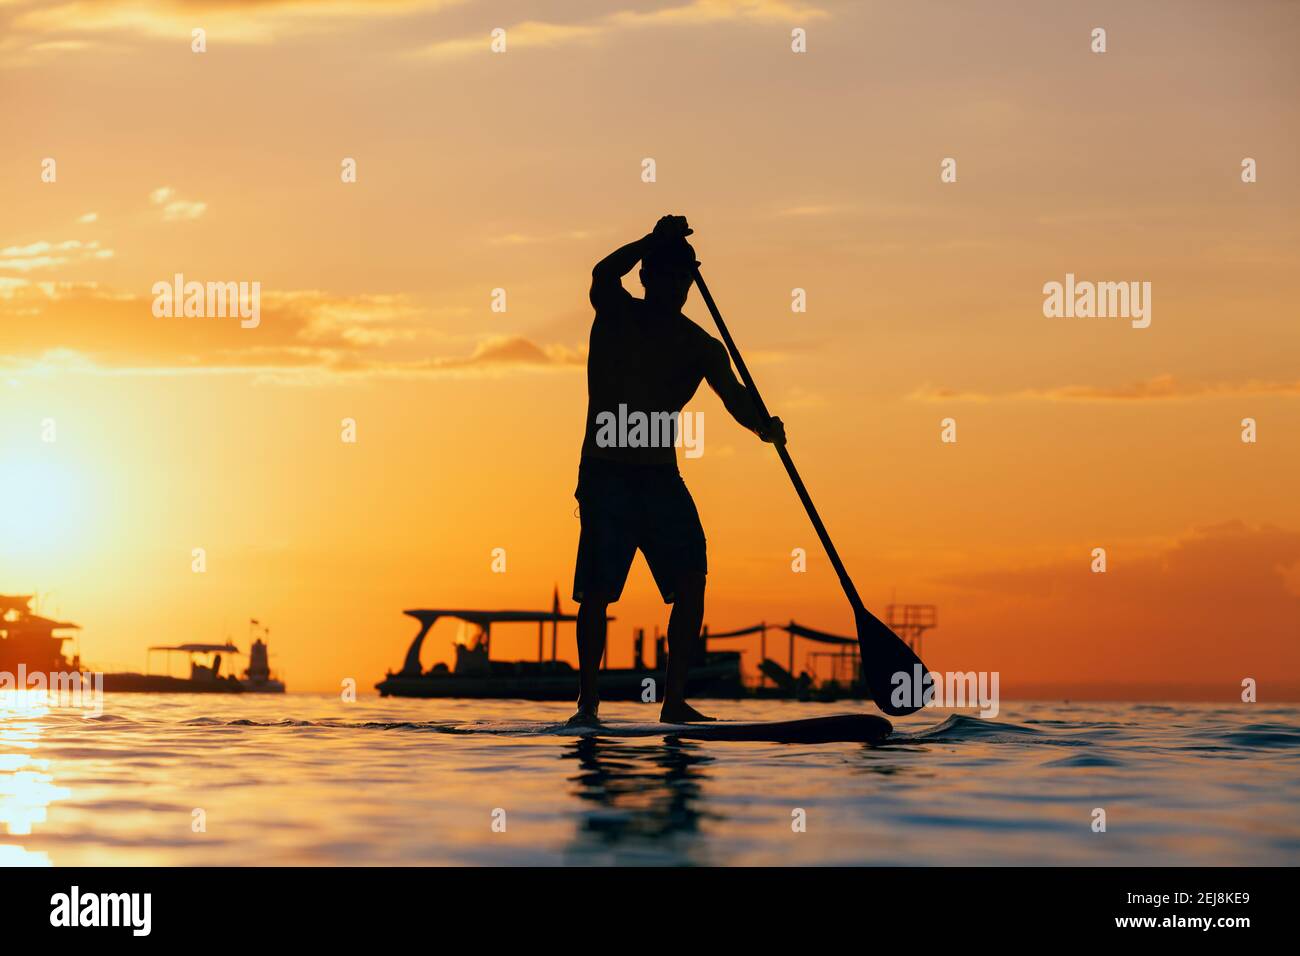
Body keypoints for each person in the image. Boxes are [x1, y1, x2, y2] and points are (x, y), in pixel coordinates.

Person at [569, 215, 785, 726]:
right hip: (606, 475)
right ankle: (588, 704)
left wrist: (764, 426)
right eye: (666, 279)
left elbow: (735, 399)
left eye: (683, 282)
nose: (676, 290)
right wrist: (652, 239)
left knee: (691, 580)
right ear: (645, 278)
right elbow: (602, 272)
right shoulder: (615, 312)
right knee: (597, 593)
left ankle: (674, 703)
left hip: (661, 481)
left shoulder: (700, 346)